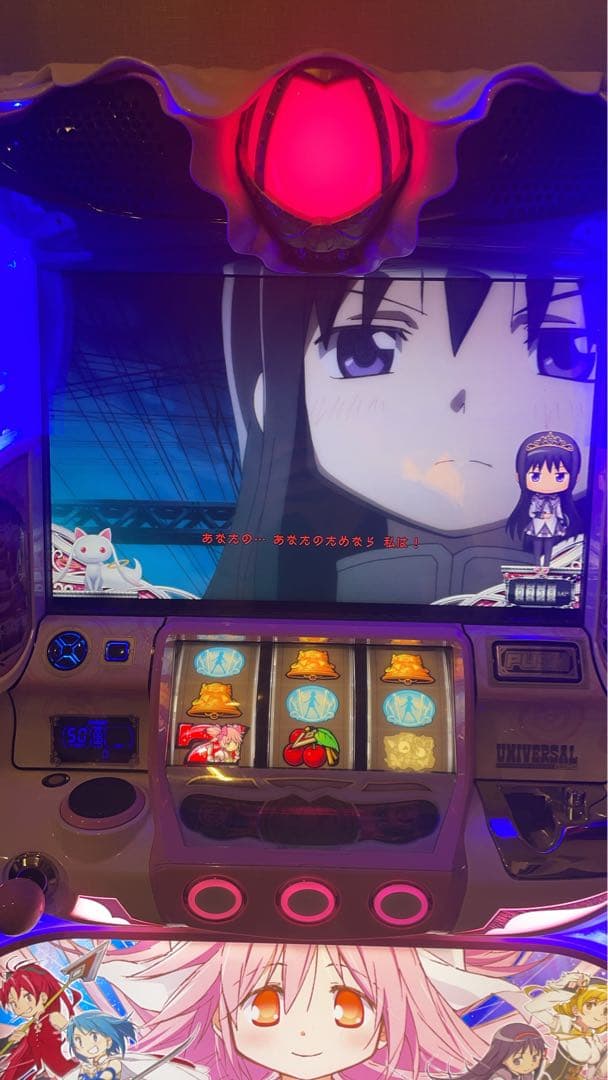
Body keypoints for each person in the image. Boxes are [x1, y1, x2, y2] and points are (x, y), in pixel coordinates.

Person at [207, 270, 597, 604]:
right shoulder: (291, 562)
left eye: (562, 354)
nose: (460, 399)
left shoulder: (579, 573)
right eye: (364, 353)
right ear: (270, 395)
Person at [506, 431, 582, 566]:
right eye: (535, 476)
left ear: (575, 478)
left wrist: (562, 520)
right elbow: (531, 512)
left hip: (552, 524)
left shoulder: (558, 500)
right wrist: (541, 515)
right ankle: (537, 564)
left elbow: (559, 512)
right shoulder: (535, 499)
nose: (547, 484)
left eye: (559, 476)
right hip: (538, 524)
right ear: (519, 476)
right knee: (537, 544)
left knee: (549, 545)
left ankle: (546, 565)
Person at [0, 964, 79, 1080]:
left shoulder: (54, 1018)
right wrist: (15, 1039)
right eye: (13, 1003)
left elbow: (75, 1043)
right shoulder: (32, 1027)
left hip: (70, 1072)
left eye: (27, 997)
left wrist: (66, 1027)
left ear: (43, 997)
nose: (19, 1008)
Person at [452, 1024, 546, 1080]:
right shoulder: (502, 1075)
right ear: (501, 1057)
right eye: (517, 1060)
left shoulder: (527, 1075)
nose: (528, 1065)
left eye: (535, 1058)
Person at [64, 1012, 136, 1080]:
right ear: (77, 1049)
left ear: (109, 1041)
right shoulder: (85, 1069)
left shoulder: (113, 1063)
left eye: (94, 1037)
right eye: (79, 1041)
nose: (88, 1045)